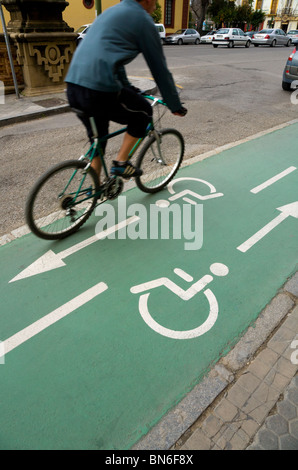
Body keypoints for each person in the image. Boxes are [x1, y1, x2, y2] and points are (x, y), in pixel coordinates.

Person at [65, 0, 187, 183]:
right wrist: (174, 104)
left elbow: (113, 60)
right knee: (144, 113)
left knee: (98, 140)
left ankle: (95, 191)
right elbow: (159, 69)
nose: (155, 6)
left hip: (73, 86)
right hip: (99, 88)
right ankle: (121, 162)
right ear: (146, 0)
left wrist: (128, 88)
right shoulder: (143, 21)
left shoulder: (111, 12)